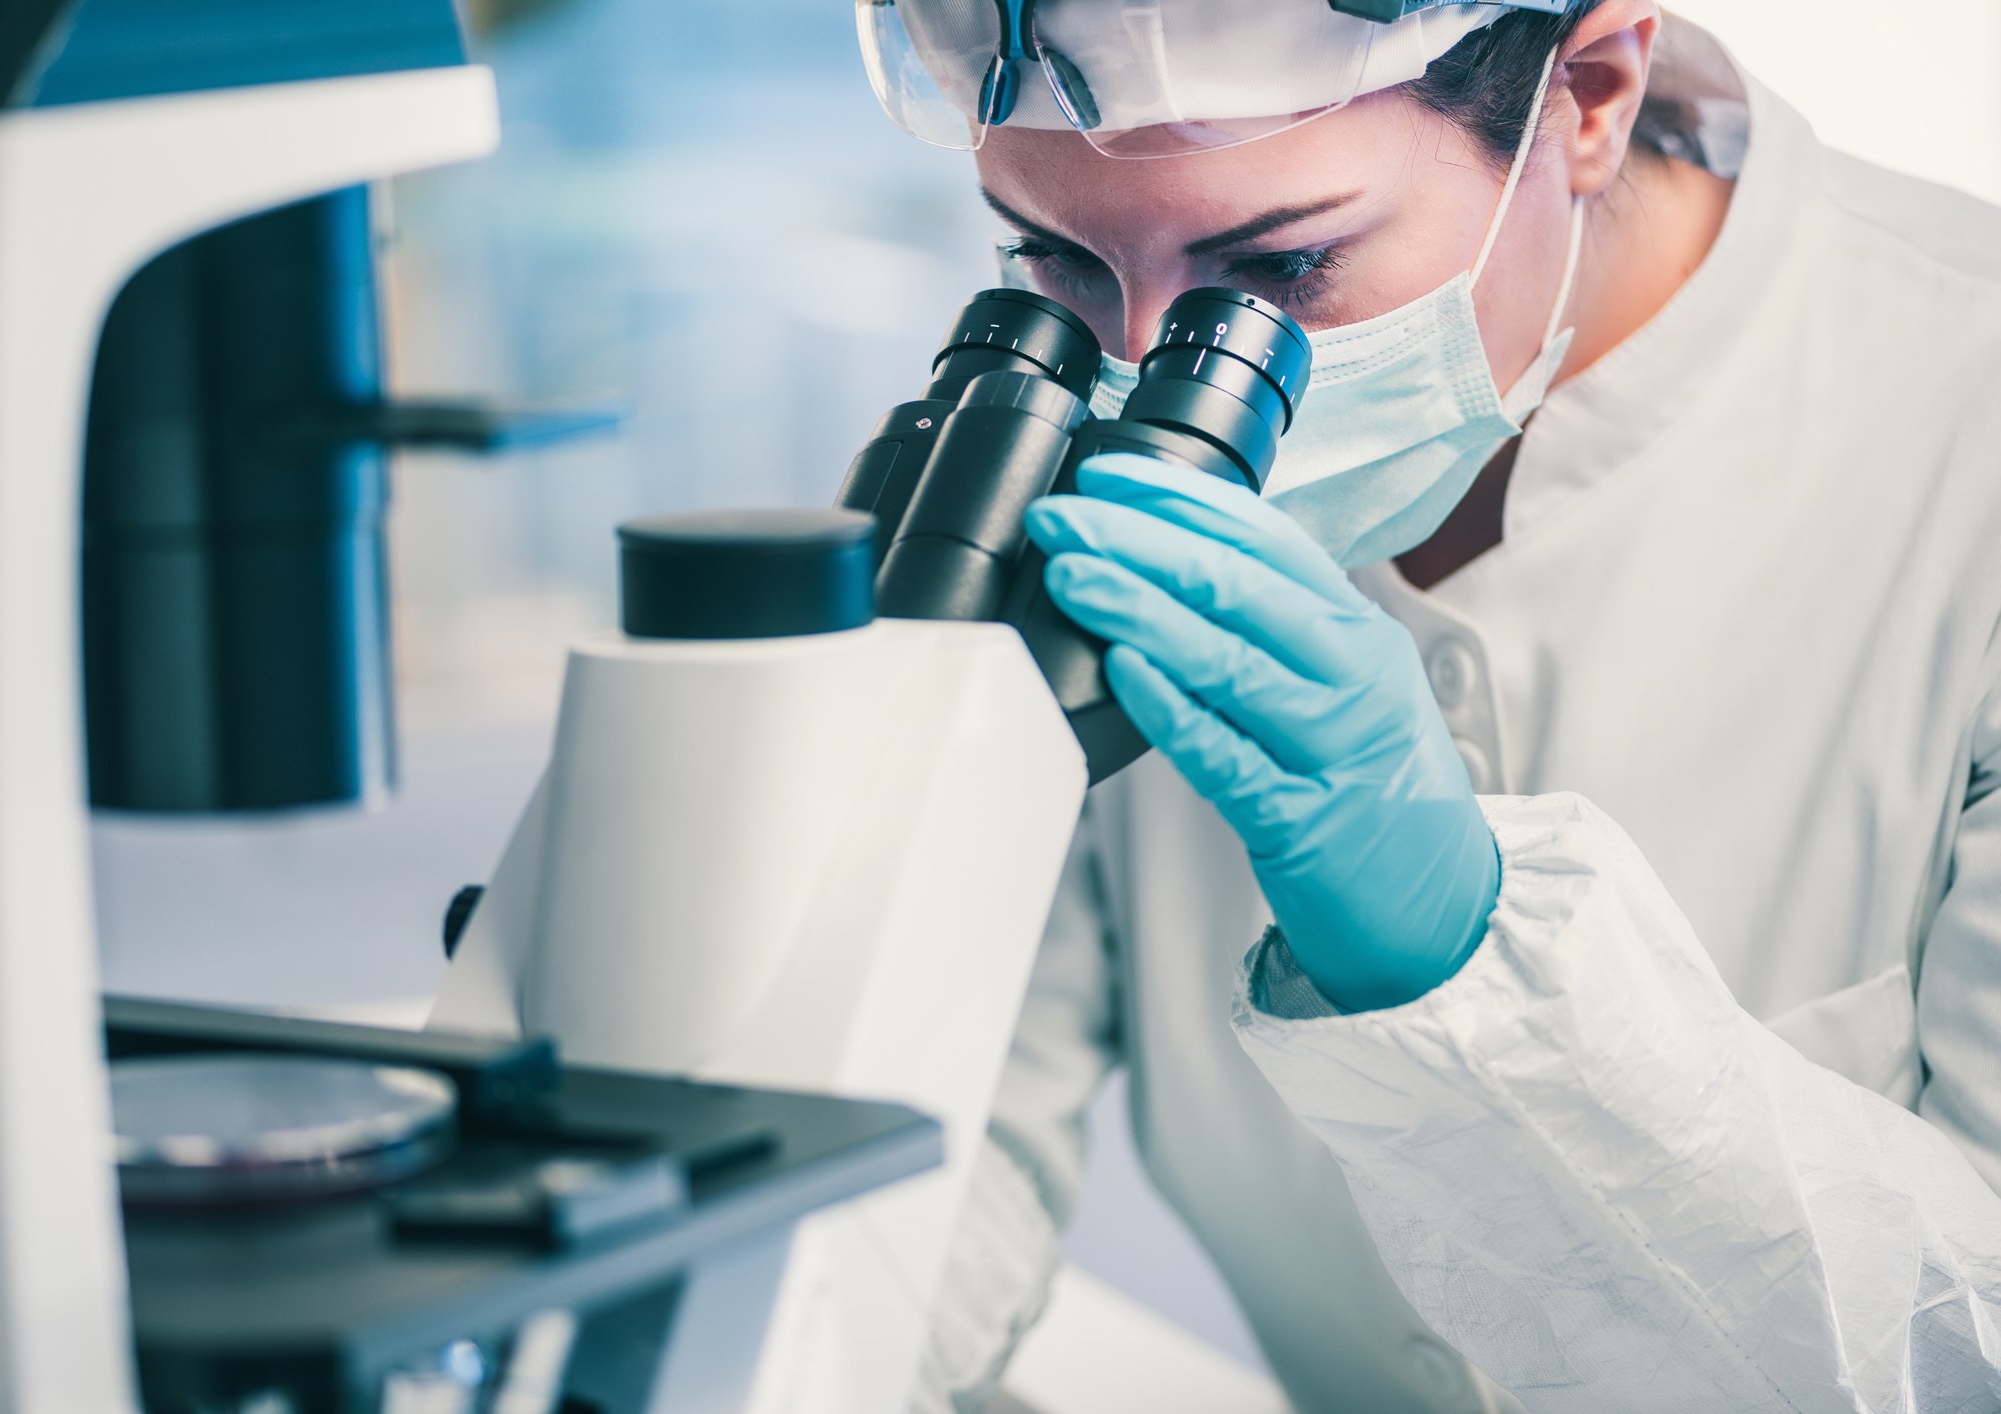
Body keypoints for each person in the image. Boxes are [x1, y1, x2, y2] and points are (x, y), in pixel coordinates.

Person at [854, 1, 2001, 1410]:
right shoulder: (1046, 449)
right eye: (1058, 260)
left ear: (1589, 96)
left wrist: (1475, 978)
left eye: (1284, 266)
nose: (1147, 371)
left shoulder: (1965, 421)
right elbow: (914, 1182)